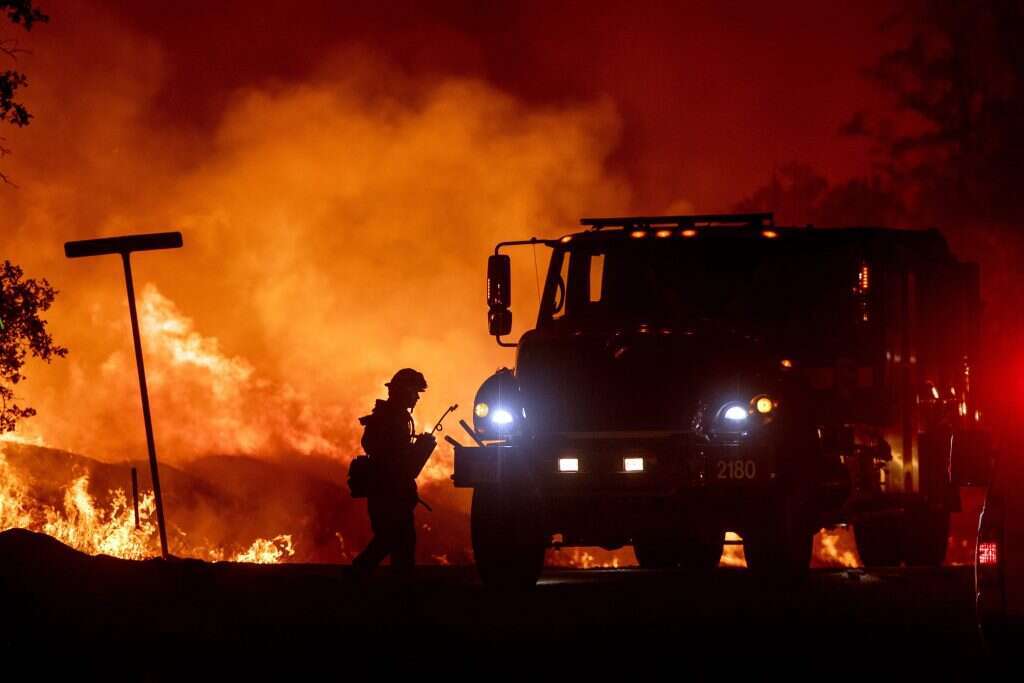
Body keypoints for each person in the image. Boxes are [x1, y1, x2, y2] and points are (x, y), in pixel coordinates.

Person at [352, 368, 436, 578]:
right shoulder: (389, 420)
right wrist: (422, 448)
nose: (417, 397)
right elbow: (397, 462)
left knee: (397, 543)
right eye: (415, 391)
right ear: (404, 391)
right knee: (393, 540)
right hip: (389, 493)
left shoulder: (392, 418)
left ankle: (396, 593)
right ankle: (357, 576)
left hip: (391, 492)